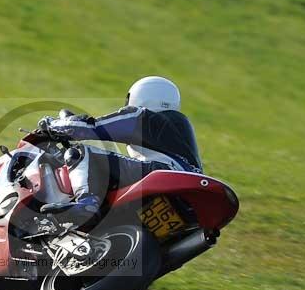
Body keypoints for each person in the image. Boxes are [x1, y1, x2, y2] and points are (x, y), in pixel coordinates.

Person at [38, 76, 202, 223]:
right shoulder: (178, 127)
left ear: (142, 96)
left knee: (80, 152)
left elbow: (92, 127)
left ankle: (86, 203)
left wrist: (52, 125)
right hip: (189, 194)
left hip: (162, 174)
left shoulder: (144, 117)